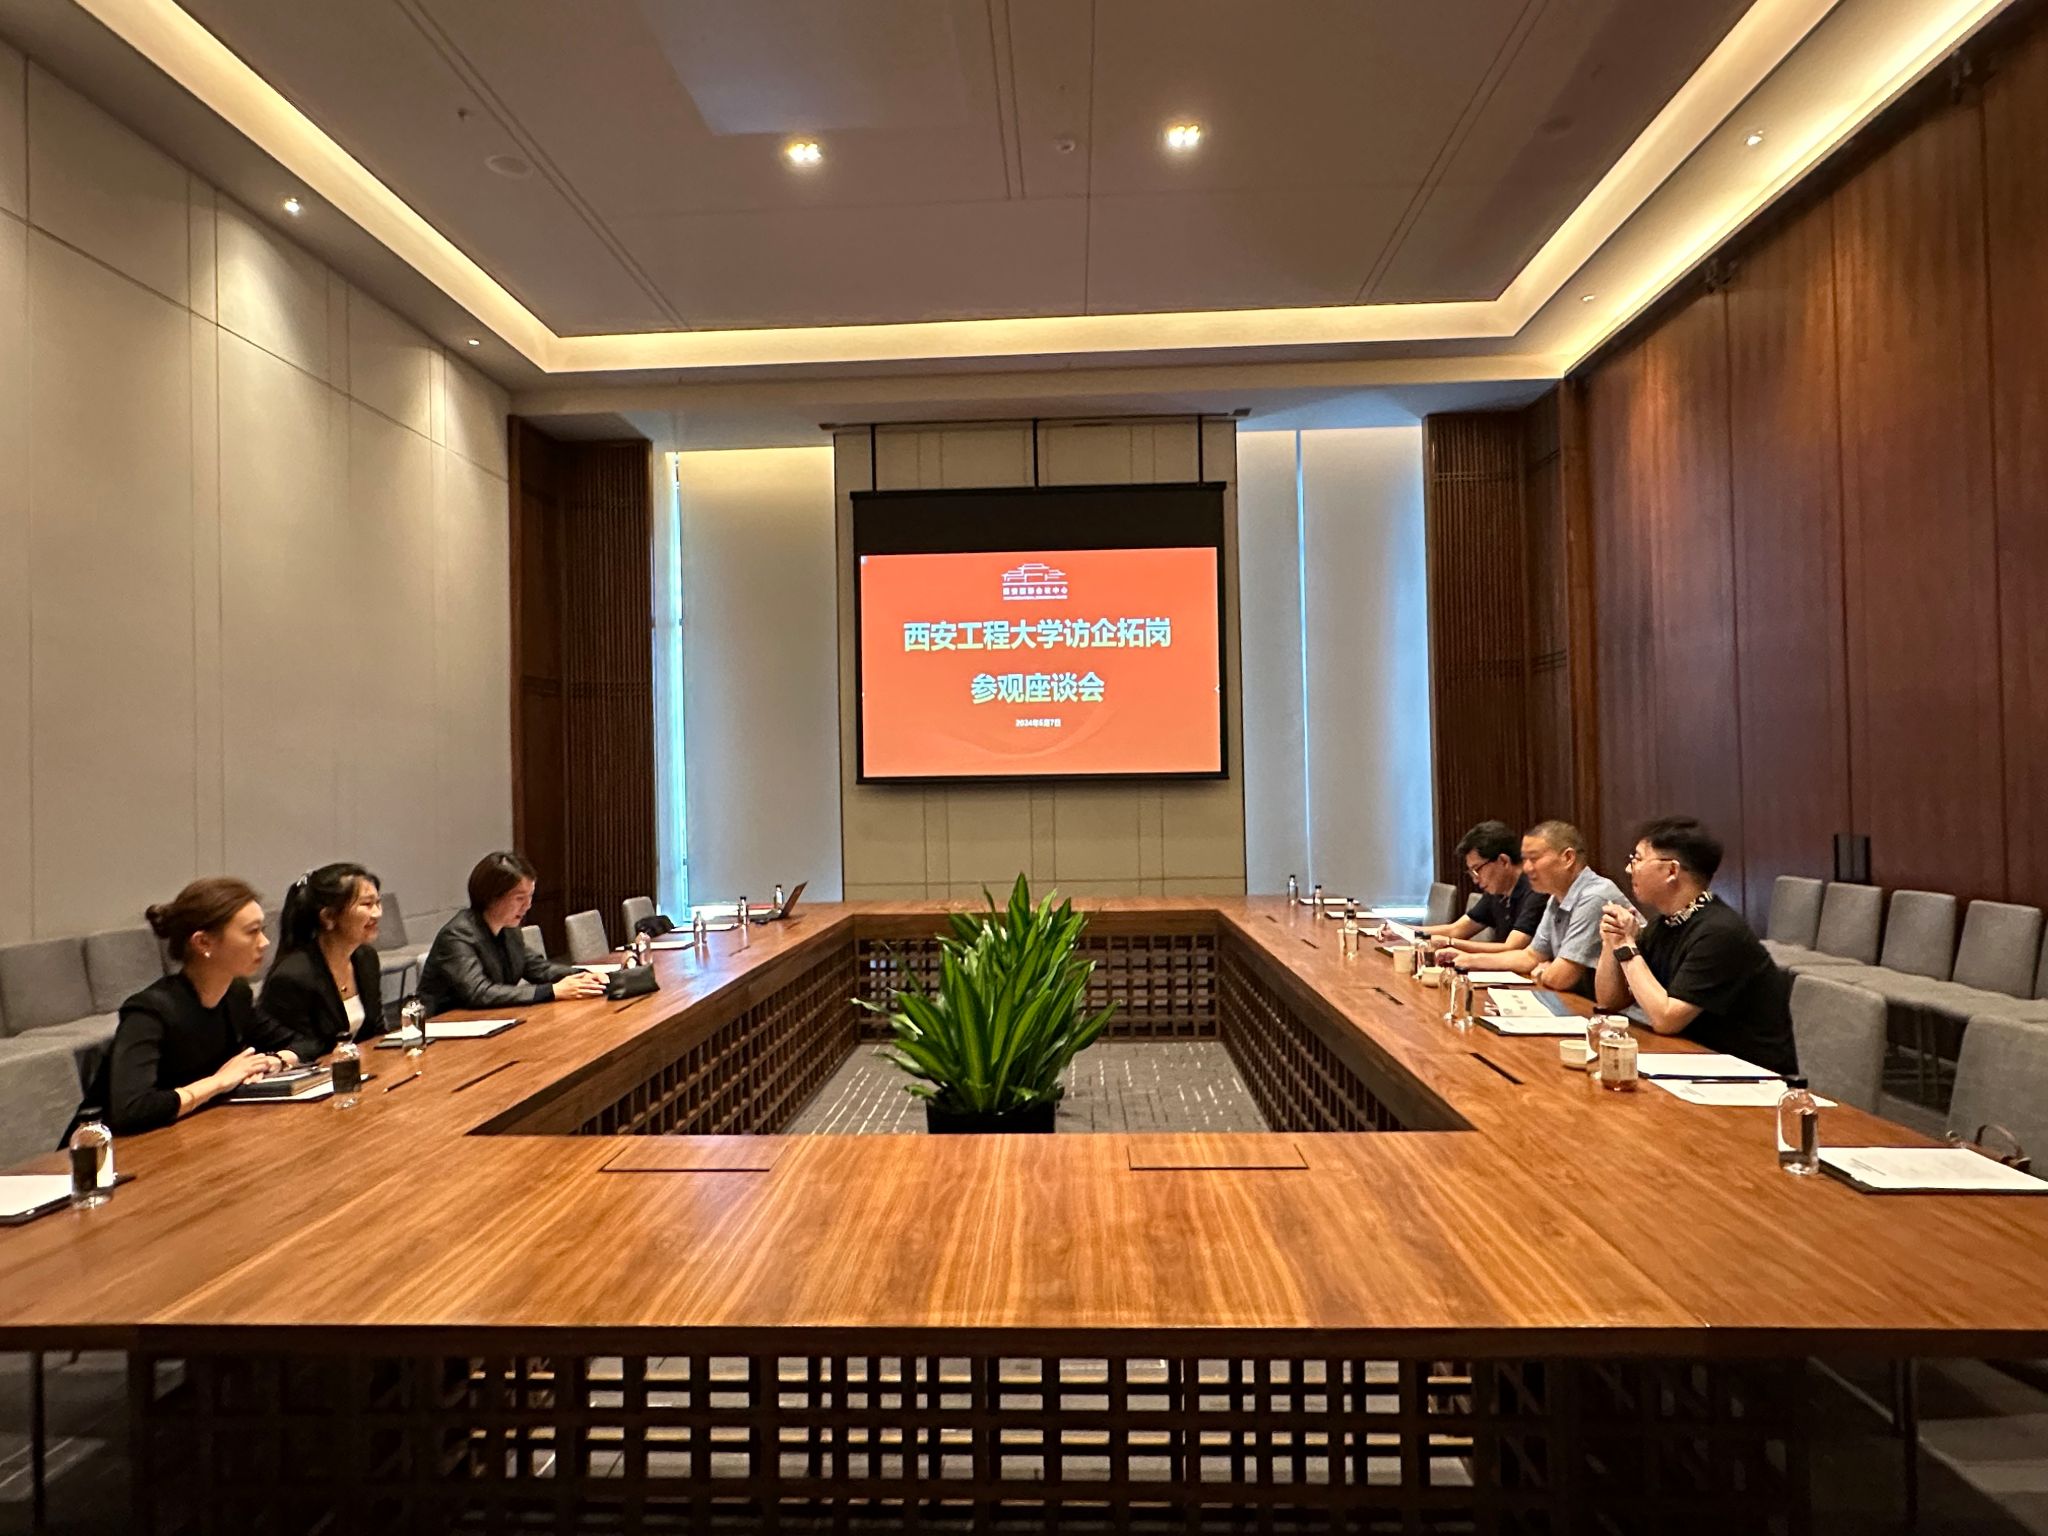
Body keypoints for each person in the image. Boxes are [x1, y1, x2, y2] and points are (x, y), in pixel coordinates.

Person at [80, 878, 313, 1136]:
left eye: (263, 929)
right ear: (203, 943)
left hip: (192, 1131)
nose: (265, 942)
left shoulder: (235, 995)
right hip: (108, 1149)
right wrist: (218, 1082)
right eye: (252, 932)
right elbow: (132, 1110)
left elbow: (305, 1042)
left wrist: (274, 1061)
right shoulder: (150, 1011)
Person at [1595, 816, 1798, 1076]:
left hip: (1748, 1075)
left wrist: (1626, 945)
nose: (1628, 869)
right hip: (1692, 1060)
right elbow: (1609, 1001)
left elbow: (1666, 1018)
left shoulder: (1720, 933)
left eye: (1638, 859)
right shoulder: (1664, 924)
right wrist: (1611, 941)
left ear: (1671, 871)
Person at [416, 851, 608, 1016]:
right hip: (442, 1029)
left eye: (530, 896)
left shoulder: (509, 931)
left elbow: (539, 969)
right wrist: (552, 991)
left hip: (490, 1019)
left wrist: (585, 976)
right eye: (519, 898)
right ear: (491, 897)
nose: (528, 905)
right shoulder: (457, 936)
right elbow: (479, 992)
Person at [1452, 819, 1628, 997]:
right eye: (1525, 859)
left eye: (1534, 859)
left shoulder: (1594, 896)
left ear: (1568, 858)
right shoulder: (1556, 896)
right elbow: (1530, 956)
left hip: (1621, 1011)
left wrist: (1544, 971)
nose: (1527, 868)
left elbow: (1561, 978)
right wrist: (1468, 959)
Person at [259, 862, 388, 1057]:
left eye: (378, 903)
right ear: (328, 916)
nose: (377, 913)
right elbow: (302, 1050)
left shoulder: (365, 958)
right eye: (367, 904)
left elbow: (375, 1032)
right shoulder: (293, 976)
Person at [1420, 820, 1548, 963]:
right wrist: (1406, 932)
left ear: (1503, 861)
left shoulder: (1537, 889)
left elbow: (1512, 947)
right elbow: (1456, 930)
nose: (1475, 879)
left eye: (1477, 869)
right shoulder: (1497, 891)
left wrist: (1449, 943)